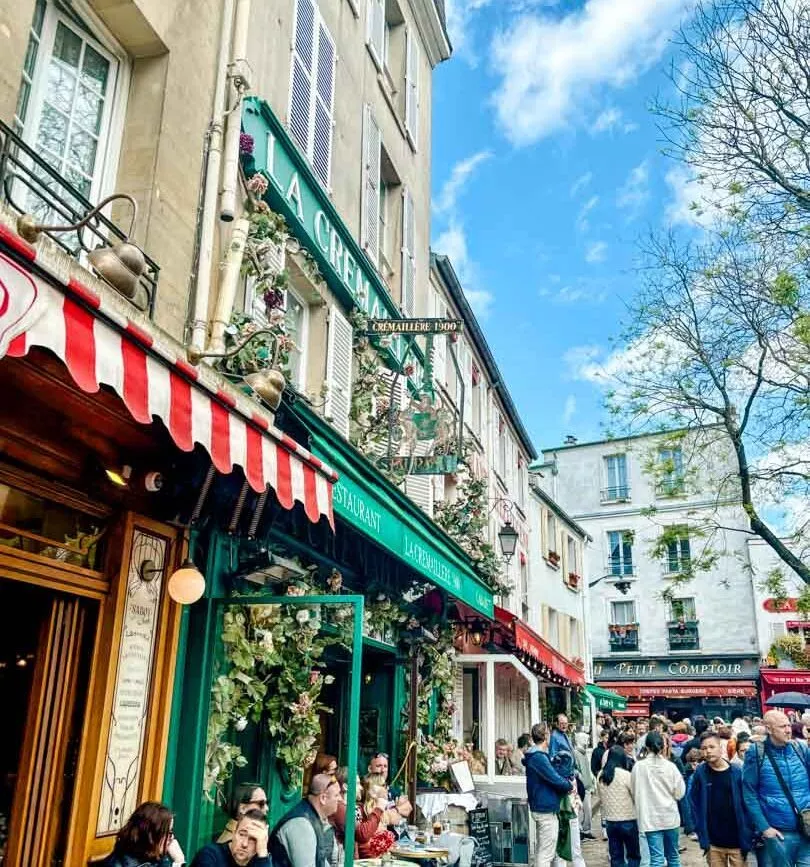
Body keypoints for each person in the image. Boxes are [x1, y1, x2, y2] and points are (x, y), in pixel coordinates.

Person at [742, 709, 810, 867]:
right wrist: (765, 828)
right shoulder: (756, 752)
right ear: (769, 729)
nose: (788, 730)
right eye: (782, 726)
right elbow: (749, 792)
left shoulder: (800, 748)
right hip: (779, 833)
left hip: (806, 828)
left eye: (788, 725)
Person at [688, 733, 752, 867]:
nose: (708, 751)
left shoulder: (737, 772)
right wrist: (699, 828)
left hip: (737, 841)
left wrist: (749, 829)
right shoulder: (700, 773)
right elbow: (693, 802)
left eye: (712, 747)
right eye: (704, 748)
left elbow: (748, 802)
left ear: (721, 748)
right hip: (713, 842)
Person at [631, 732, 685, 867]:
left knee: (656, 859)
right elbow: (680, 793)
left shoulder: (638, 767)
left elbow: (634, 790)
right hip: (670, 818)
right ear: (663, 747)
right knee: (673, 857)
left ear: (646, 747)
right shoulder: (670, 767)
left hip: (650, 819)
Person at [523, 723, 573, 867]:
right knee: (546, 853)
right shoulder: (539, 757)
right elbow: (554, 778)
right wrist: (568, 785)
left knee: (543, 849)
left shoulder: (536, 755)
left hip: (541, 806)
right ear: (546, 736)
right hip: (545, 808)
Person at [271, 773, 340, 867]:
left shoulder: (312, 817)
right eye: (336, 795)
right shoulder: (301, 825)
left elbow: (321, 861)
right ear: (323, 798)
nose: (340, 799)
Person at [99, 802, 186, 867]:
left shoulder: (155, 857)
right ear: (151, 835)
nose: (172, 838)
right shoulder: (120, 864)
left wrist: (179, 861)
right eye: (168, 833)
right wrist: (178, 863)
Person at [598, 745, 640, 867]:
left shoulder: (601, 775)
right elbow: (635, 795)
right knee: (633, 855)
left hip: (610, 821)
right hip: (628, 820)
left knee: (616, 857)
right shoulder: (626, 775)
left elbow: (601, 796)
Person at [191, 810, 270, 866]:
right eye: (242, 834)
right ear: (234, 833)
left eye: (253, 839)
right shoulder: (210, 855)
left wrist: (263, 854)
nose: (244, 844)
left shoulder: (260, 861)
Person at [356, 774, 397, 858]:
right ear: (373, 788)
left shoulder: (382, 811)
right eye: (383, 785)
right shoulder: (360, 811)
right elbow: (363, 846)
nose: (386, 788)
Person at [367, 752, 412, 821]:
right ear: (370, 769)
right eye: (379, 766)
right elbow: (379, 819)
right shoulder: (365, 789)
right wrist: (397, 811)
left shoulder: (391, 789)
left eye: (385, 766)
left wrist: (395, 810)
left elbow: (408, 808)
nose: (383, 770)